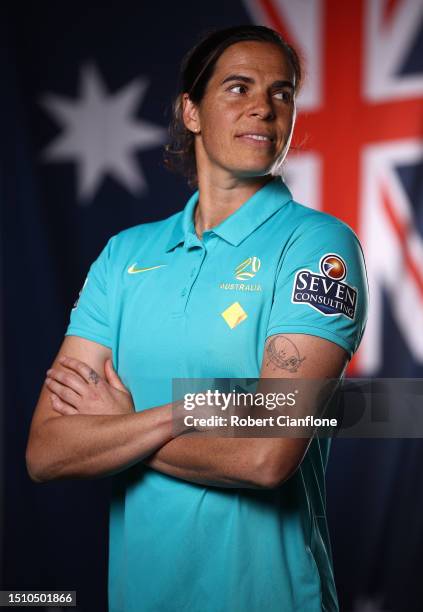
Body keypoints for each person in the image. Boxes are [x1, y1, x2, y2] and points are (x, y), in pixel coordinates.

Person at [26, 25, 368, 612]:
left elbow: (268, 455)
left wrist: (127, 426)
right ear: (191, 111)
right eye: (239, 87)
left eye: (281, 93)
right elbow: (48, 450)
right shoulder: (124, 255)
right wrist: (185, 417)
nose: (263, 105)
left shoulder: (317, 245)